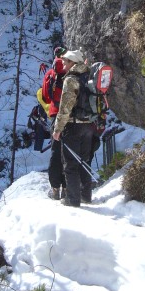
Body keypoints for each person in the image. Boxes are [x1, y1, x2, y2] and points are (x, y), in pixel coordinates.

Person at [52, 49, 94, 207]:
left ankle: (72, 200)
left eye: (65, 61)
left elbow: (65, 107)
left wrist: (57, 129)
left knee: (70, 163)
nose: (63, 63)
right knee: (84, 160)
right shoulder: (89, 75)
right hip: (89, 125)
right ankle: (86, 195)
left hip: (73, 125)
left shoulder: (71, 79)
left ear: (73, 63)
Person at [43, 55, 67, 200]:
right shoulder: (71, 70)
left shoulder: (51, 73)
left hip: (54, 115)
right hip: (69, 116)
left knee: (55, 151)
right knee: (67, 151)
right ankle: (66, 186)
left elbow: (46, 96)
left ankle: (55, 188)